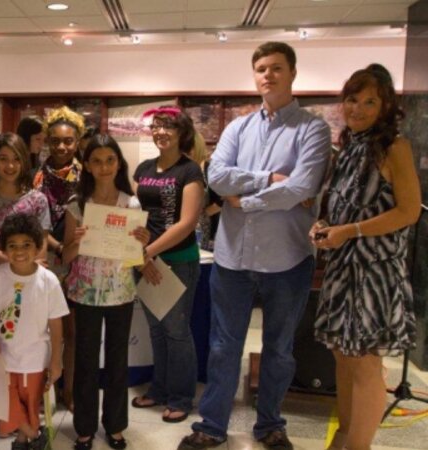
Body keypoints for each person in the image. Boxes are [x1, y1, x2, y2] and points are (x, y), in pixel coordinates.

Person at [179, 42, 332, 450]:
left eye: (276, 67)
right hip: (233, 261)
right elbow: (219, 180)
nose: (268, 75)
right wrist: (269, 181)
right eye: (261, 68)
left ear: (292, 73)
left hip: (288, 261)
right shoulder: (236, 128)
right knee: (222, 346)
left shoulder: (312, 128)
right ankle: (211, 425)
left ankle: (269, 426)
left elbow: (303, 186)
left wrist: (243, 201)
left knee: (279, 349)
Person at [311, 64, 420, 450]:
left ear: (386, 104)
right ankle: (345, 436)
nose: (357, 109)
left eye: (369, 101)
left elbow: (408, 211)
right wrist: (325, 225)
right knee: (342, 358)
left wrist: (349, 232)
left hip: (374, 273)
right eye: (352, 100)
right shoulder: (349, 146)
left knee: (364, 365)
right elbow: (342, 206)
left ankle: (358, 446)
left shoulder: (396, 147)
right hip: (343, 268)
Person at [62, 134, 150, 450]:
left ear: (118, 164)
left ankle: (114, 425)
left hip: (120, 293)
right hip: (84, 294)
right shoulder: (77, 205)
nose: (103, 167)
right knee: (85, 361)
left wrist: (141, 240)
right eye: (96, 161)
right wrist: (78, 241)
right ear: (86, 165)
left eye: (109, 160)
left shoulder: (132, 203)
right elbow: (66, 258)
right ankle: (84, 428)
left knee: (117, 361)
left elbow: (134, 256)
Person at [130, 107, 204, 425]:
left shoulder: (190, 171)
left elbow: (186, 223)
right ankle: (159, 390)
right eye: (156, 126)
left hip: (177, 262)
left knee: (176, 332)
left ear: (181, 132)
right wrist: (141, 255)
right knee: (157, 331)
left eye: (168, 127)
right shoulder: (144, 168)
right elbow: (135, 216)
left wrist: (149, 252)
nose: (161, 132)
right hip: (145, 261)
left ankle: (181, 398)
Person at [0, 213, 68, 450]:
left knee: (30, 405)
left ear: (39, 246)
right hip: (4, 358)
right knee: (7, 406)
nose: (20, 251)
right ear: (4, 248)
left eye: (27, 245)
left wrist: (56, 360)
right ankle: (34, 435)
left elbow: (57, 322)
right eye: (13, 246)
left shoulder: (48, 280)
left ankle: (22, 440)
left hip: (35, 358)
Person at [33, 106, 85, 412]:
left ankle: (71, 393)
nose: (62, 147)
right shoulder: (36, 176)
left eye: (68, 141)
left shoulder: (86, 175)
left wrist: (69, 249)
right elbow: (34, 218)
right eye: (55, 141)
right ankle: (44, 391)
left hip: (78, 260)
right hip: (46, 258)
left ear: (77, 141)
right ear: (47, 141)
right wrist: (55, 247)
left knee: (72, 332)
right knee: (43, 332)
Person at [0, 132, 51, 253]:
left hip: (30, 271)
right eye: (3, 159)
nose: (10, 165)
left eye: (16, 158)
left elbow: (42, 246)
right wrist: (14, 264)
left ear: (24, 160)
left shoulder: (38, 200)